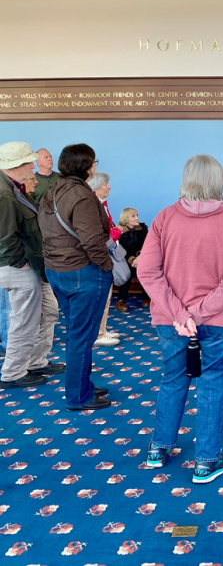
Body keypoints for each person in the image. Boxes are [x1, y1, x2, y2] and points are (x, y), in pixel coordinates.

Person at [138, 154, 223, 484]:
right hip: (219, 319)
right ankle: (205, 462)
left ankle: (159, 449)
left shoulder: (164, 218)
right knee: (213, 384)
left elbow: (147, 272)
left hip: (171, 321)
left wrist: (180, 313)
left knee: (173, 378)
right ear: (219, 181)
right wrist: (195, 314)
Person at [38, 143, 113, 411]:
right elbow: (93, 240)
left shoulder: (53, 189)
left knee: (76, 334)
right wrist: (106, 267)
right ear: (87, 166)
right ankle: (78, 396)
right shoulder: (81, 195)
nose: (95, 166)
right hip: (82, 272)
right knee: (81, 336)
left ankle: (81, 387)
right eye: (94, 162)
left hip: (57, 270)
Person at [0, 141, 62, 389]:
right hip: (20, 268)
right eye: (29, 162)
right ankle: (13, 372)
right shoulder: (4, 194)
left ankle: (36, 361)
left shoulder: (12, 188)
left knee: (48, 313)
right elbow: (5, 239)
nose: (33, 166)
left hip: (32, 266)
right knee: (24, 320)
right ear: (16, 165)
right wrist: (22, 265)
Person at [88, 172, 122, 347]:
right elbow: (102, 234)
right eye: (105, 184)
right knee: (101, 295)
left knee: (106, 296)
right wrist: (117, 232)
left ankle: (101, 329)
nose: (109, 187)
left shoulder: (103, 204)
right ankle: (98, 334)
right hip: (99, 257)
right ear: (95, 187)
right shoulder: (93, 206)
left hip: (105, 256)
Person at [115, 208, 149, 313]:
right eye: (133, 216)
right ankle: (121, 300)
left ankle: (147, 297)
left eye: (137, 215)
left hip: (141, 258)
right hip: (125, 259)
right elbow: (119, 249)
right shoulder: (119, 231)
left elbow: (147, 245)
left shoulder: (143, 229)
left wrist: (139, 258)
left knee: (145, 269)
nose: (137, 218)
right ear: (126, 218)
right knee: (126, 271)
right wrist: (131, 259)